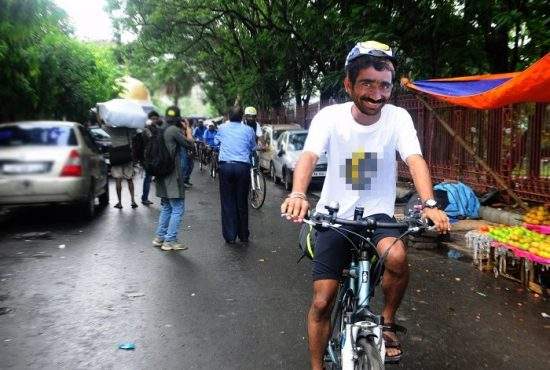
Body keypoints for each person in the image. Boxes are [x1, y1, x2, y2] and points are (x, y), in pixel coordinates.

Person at [280, 41, 451, 368]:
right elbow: (309, 155)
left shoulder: (398, 119)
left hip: (377, 217)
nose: (377, 93)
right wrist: (299, 193)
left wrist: (429, 203)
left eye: (384, 85)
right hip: (334, 217)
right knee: (322, 301)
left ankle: (385, 323)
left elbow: (414, 159)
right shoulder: (330, 117)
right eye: (367, 84)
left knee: (397, 256)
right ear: (348, 84)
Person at [152, 106, 194, 251]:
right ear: (178, 118)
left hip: (160, 174)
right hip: (171, 174)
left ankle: (160, 237)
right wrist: (188, 129)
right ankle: (170, 241)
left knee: (167, 206)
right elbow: (190, 145)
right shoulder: (174, 131)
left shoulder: (160, 129)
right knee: (178, 207)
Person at [214, 106, 256, 244]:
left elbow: (216, 142)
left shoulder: (221, 128)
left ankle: (230, 236)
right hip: (242, 167)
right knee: (242, 202)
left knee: (227, 202)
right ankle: (243, 235)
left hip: (225, 167)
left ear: (228, 116)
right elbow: (252, 147)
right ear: (242, 117)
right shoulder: (249, 130)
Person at [102, 121, 138, 209]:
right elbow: (135, 133)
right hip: (126, 156)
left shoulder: (110, 129)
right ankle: (133, 201)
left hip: (116, 157)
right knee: (130, 179)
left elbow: (101, 125)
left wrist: (99, 113)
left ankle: (120, 202)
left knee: (118, 180)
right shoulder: (127, 129)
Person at [140, 110, 163, 205]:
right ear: (149, 119)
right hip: (148, 158)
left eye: (156, 119)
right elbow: (146, 141)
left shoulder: (158, 129)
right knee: (148, 178)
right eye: (152, 119)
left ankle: (163, 199)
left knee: (160, 178)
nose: (154, 120)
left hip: (157, 156)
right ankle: (144, 198)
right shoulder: (145, 129)